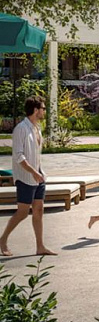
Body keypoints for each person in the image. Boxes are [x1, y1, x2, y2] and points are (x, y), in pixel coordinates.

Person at [1, 96, 54, 257]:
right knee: (23, 212)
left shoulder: (37, 128)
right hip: (26, 177)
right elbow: (19, 156)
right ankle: (2, 240)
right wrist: (33, 172)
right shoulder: (21, 129)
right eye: (43, 108)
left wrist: (39, 173)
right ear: (36, 110)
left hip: (38, 176)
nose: (44, 111)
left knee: (39, 210)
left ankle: (40, 246)